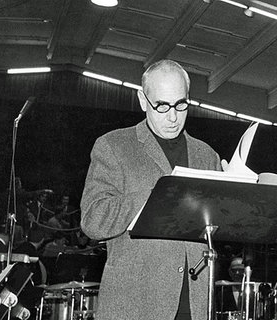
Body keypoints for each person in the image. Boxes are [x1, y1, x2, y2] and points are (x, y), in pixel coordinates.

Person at [80, 59, 222, 320]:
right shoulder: (113, 146)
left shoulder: (207, 156)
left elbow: (218, 230)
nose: (172, 116)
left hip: (195, 305)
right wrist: (155, 195)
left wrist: (235, 196)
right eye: (162, 105)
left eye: (181, 105)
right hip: (135, 304)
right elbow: (93, 220)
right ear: (143, 100)